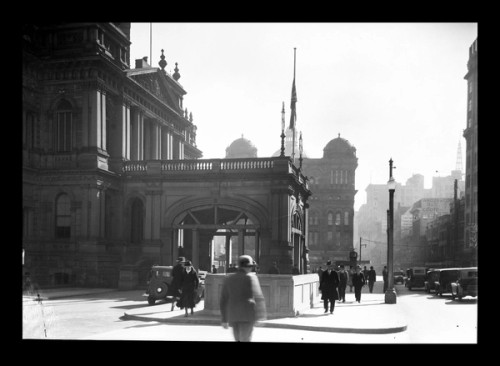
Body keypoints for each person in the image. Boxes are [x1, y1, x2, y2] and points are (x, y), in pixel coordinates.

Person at [220, 255, 266, 342]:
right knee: (245, 339)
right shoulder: (251, 278)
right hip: (247, 315)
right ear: (248, 267)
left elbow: (223, 300)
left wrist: (224, 319)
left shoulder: (228, 278)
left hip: (233, 315)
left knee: (237, 339)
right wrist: (261, 315)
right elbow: (258, 297)